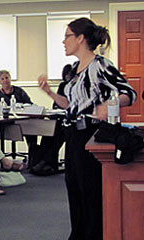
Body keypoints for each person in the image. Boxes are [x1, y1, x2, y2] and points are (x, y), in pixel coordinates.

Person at [38, 18, 136, 240]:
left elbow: (129, 93)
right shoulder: (73, 70)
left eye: (67, 36)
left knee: (91, 190)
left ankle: (94, 235)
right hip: (72, 134)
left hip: (91, 135)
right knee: (74, 188)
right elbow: (70, 105)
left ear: (80, 38)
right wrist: (51, 93)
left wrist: (109, 105)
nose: (63, 41)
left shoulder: (101, 65)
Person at [0, 69, 37, 166]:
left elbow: (30, 104)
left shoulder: (19, 91)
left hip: (21, 120)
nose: (5, 80)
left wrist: (22, 107)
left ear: (10, 78)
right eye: (2, 79)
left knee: (31, 129)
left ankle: (33, 157)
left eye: (7, 78)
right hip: (4, 122)